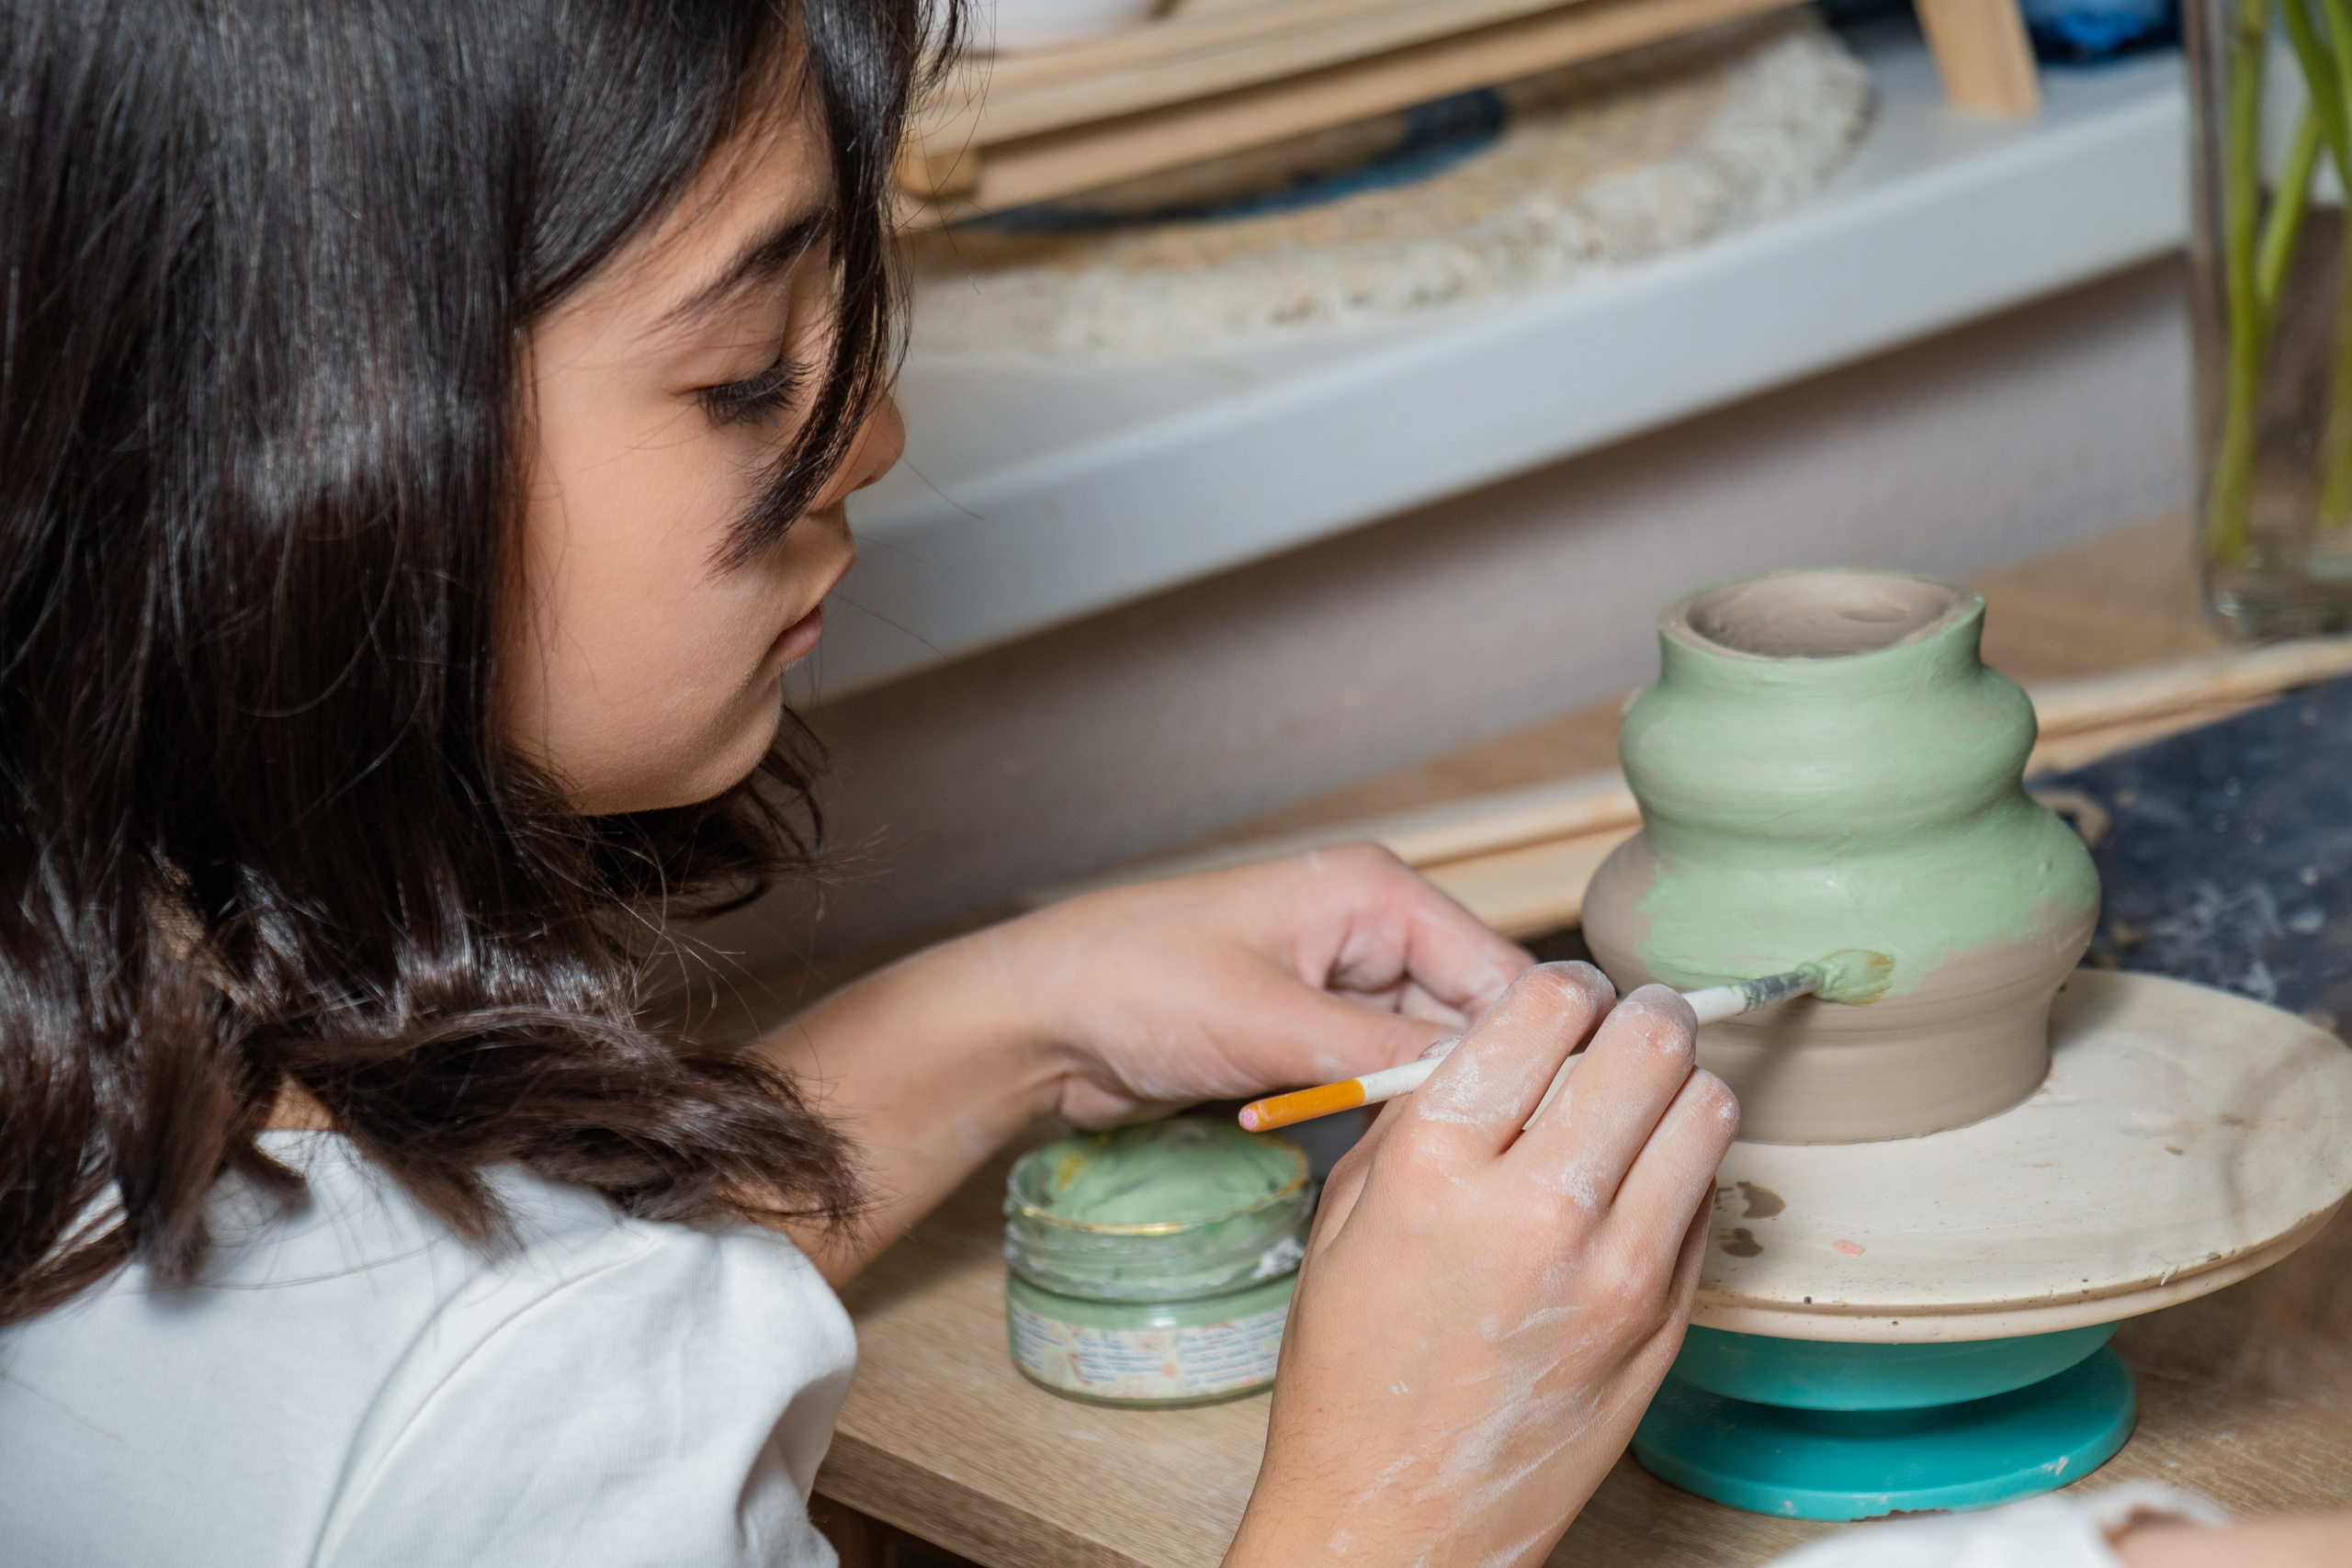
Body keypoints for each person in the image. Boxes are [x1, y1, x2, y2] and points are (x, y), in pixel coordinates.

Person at [0, 6, 2337, 1568]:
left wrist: (1016, 1014)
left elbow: (494, 1393)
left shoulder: (109, 1056)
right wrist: (1382, 1496)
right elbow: (508, 1408)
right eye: (741, 370)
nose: (871, 435)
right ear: (286, 461)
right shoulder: (501, 1400)